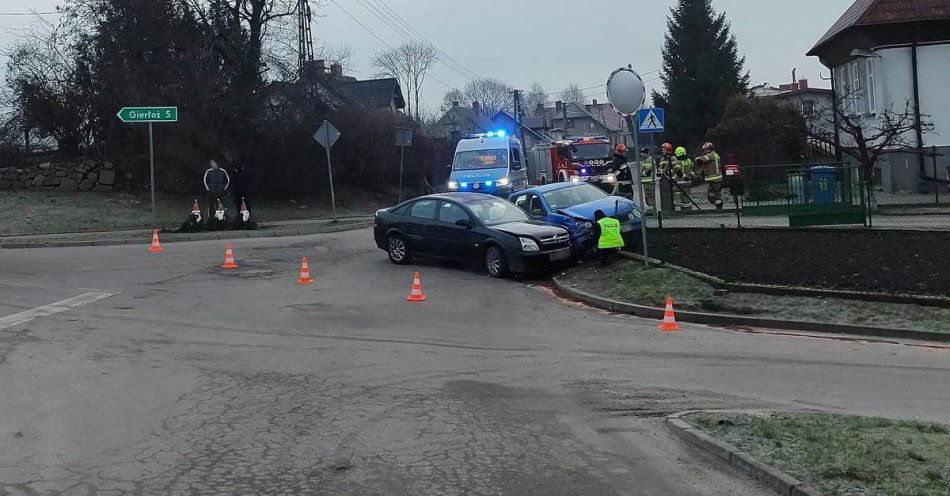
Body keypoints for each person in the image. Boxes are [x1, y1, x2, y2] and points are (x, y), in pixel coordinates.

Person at [695, 142, 724, 209]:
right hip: (714, 179)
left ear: (709, 149)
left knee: (716, 196)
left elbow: (701, 159)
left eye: (705, 150)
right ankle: (718, 206)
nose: (705, 151)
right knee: (712, 195)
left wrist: (697, 159)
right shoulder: (715, 155)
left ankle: (719, 208)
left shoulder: (711, 155)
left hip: (715, 179)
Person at [639, 147, 656, 211]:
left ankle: (651, 210)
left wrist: (641, 174)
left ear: (647, 153)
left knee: (649, 196)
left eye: (643, 154)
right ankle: (650, 209)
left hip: (649, 182)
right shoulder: (647, 159)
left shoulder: (649, 160)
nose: (642, 155)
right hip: (647, 182)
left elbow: (648, 171)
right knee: (648, 197)